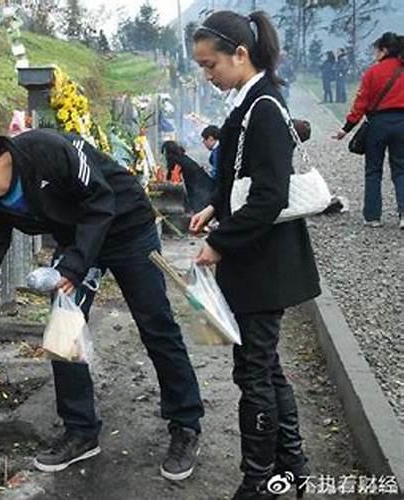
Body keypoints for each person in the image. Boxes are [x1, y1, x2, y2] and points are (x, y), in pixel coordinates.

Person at [0, 128, 205, 480]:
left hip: (126, 225)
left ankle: (186, 424)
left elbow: (100, 200)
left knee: (155, 325)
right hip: (78, 240)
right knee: (62, 331)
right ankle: (81, 431)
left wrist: (72, 266)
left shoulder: (45, 150)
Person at [191, 10, 321, 499]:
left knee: (254, 372)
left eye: (210, 65)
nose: (208, 75)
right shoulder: (251, 100)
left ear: (239, 54)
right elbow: (244, 181)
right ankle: (293, 466)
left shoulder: (263, 106)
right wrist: (213, 206)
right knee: (265, 367)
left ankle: (260, 482)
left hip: (262, 264)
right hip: (259, 259)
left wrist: (220, 242)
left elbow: (268, 197)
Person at [333, 32, 404, 228]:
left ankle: (372, 216)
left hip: (378, 124)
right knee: (401, 169)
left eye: (376, 49)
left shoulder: (373, 72)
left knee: (373, 171)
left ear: (384, 50)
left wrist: (346, 129)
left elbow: (360, 104)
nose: (374, 53)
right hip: (402, 124)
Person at [161, 140, 215, 213]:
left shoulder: (175, 159)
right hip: (201, 180)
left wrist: (166, 180)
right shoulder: (181, 156)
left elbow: (170, 175)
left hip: (197, 183)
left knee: (199, 204)